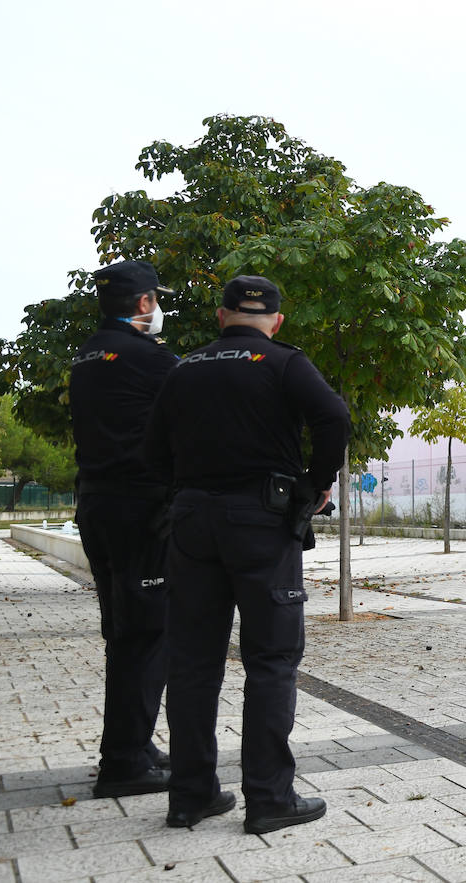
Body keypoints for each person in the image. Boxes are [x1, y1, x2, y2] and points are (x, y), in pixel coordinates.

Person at [145, 275, 350, 833]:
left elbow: (152, 447)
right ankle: (268, 798)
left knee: (191, 662)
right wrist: (315, 483)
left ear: (221, 316)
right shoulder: (283, 362)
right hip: (262, 521)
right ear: (276, 321)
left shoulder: (183, 368)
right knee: (271, 659)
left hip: (191, 524)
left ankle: (190, 796)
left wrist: (184, 491)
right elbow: (334, 418)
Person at [70, 260, 179, 799]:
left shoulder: (86, 355)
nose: (157, 307)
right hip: (140, 510)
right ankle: (125, 762)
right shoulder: (151, 360)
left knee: (123, 632)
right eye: (155, 299)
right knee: (147, 633)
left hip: (96, 506)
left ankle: (131, 744)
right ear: (143, 304)